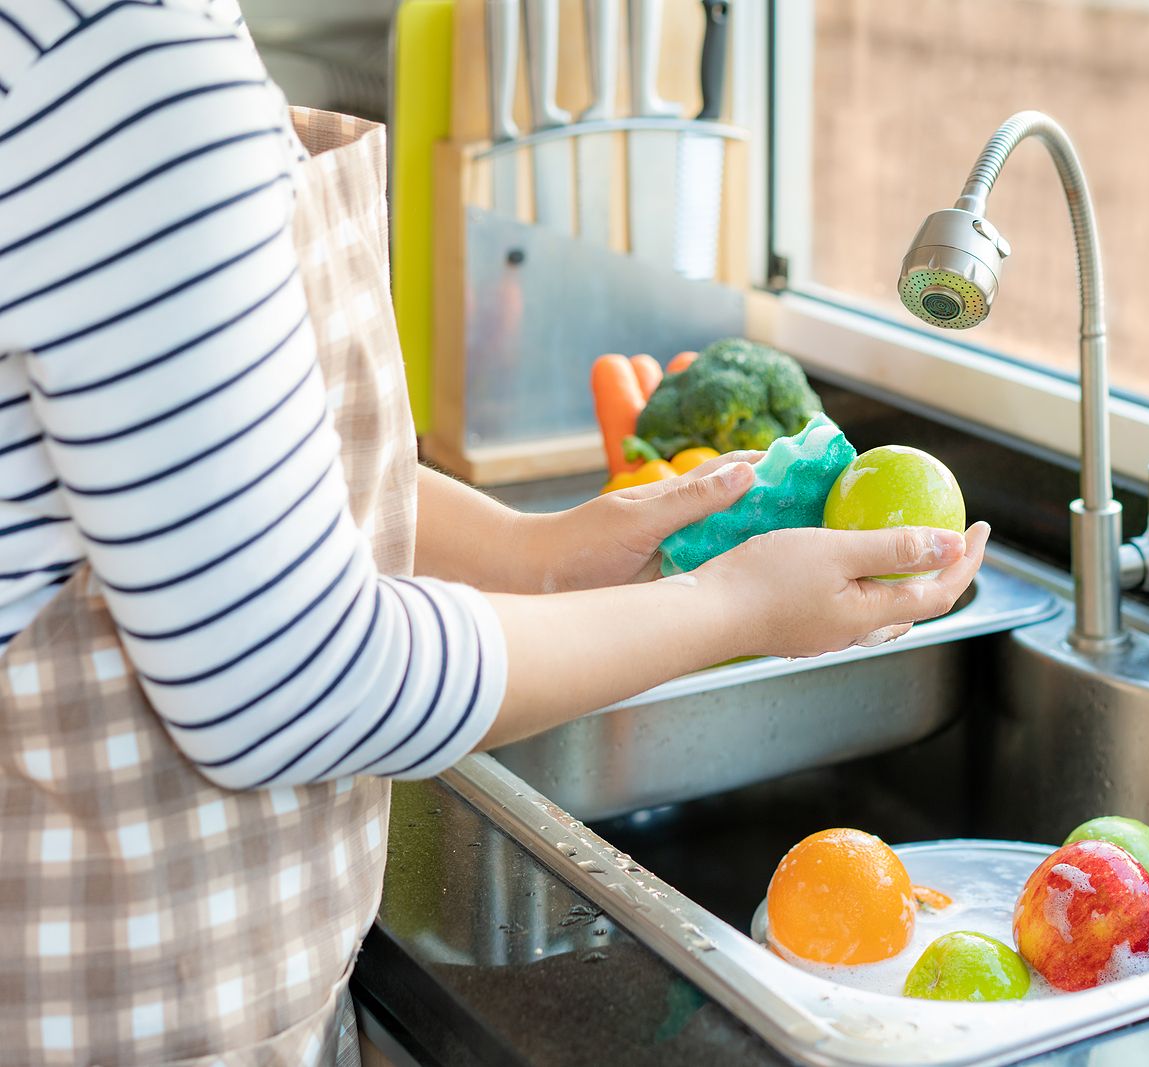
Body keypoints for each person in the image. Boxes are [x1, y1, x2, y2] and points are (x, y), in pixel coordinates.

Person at [0, 1, 988, 1062]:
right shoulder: (120, 55)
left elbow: (197, 478)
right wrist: (731, 606)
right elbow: (292, 680)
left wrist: (538, 555)